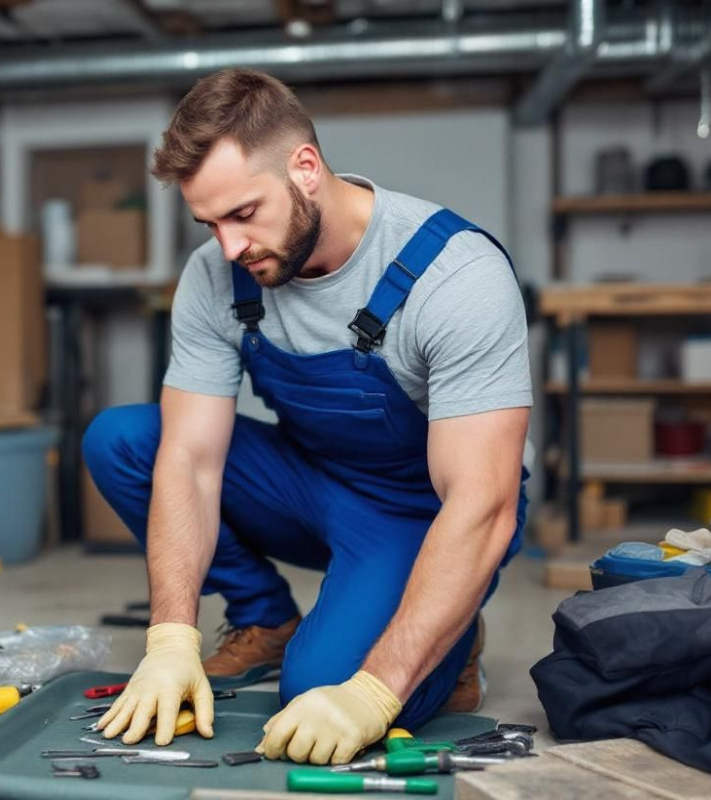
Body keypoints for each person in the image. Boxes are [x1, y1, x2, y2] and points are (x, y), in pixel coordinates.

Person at [82, 68, 531, 766]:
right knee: (124, 440)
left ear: (306, 168)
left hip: (421, 515)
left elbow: (483, 503)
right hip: (310, 482)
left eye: (243, 213)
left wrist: (376, 691)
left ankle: (451, 635)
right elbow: (191, 460)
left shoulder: (454, 275)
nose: (229, 246)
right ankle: (264, 616)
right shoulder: (216, 273)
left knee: (321, 692)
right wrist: (171, 638)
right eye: (209, 222)